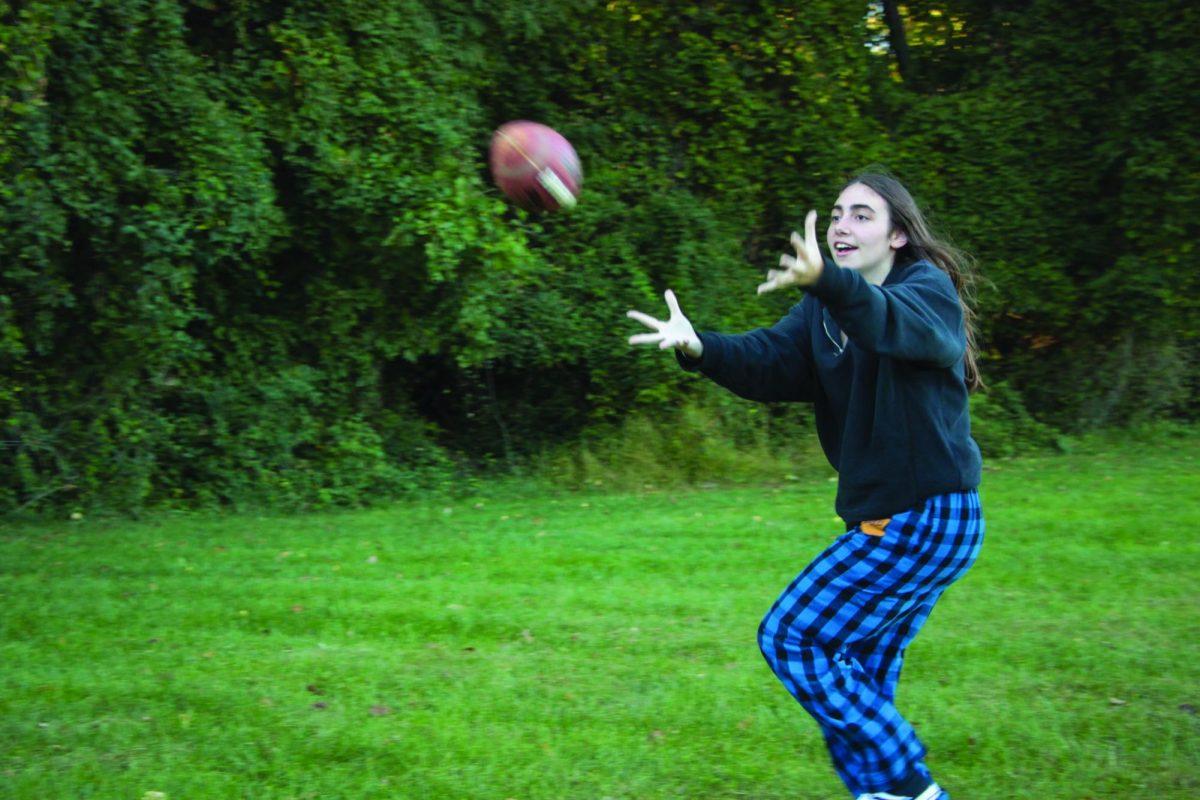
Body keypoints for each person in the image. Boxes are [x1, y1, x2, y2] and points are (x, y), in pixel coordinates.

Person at [626, 170, 984, 800]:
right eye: (838, 213)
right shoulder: (823, 311)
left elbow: (888, 322)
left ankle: (907, 779)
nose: (843, 225)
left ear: (899, 234)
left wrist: (829, 281)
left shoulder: (925, 293)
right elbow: (768, 361)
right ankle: (886, 794)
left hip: (924, 514)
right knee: (860, 672)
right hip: (903, 516)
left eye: (863, 215)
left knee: (791, 636)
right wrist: (698, 346)